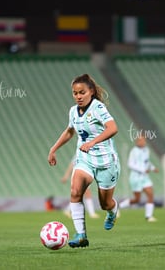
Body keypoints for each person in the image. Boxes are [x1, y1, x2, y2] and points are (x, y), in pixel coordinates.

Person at [48, 73, 120, 248]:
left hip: (105, 162)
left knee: (105, 203)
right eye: (75, 93)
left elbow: (113, 128)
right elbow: (70, 131)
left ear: (91, 91)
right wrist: (53, 149)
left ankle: (112, 212)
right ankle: (81, 235)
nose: (78, 96)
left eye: (82, 92)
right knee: (75, 191)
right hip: (85, 159)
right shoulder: (73, 111)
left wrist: (93, 142)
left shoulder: (98, 108)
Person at [119, 135, 159, 222]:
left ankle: (149, 216)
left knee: (150, 194)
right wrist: (143, 170)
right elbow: (130, 164)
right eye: (141, 141)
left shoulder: (146, 150)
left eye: (144, 141)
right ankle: (119, 206)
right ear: (137, 142)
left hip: (145, 178)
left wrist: (152, 168)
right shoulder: (134, 151)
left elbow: (147, 162)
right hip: (135, 178)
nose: (143, 142)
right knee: (137, 199)